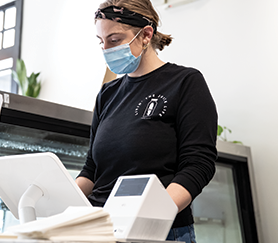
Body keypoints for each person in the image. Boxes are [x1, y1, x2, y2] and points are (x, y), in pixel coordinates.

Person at [75, 0, 217, 242]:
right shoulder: (107, 94)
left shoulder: (185, 82)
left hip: (160, 231)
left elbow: (198, 164)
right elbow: (92, 169)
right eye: (101, 41)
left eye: (114, 40)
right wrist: (60, 204)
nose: (106, 49)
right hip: (102, 229)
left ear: (146, 35)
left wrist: (151, 215)